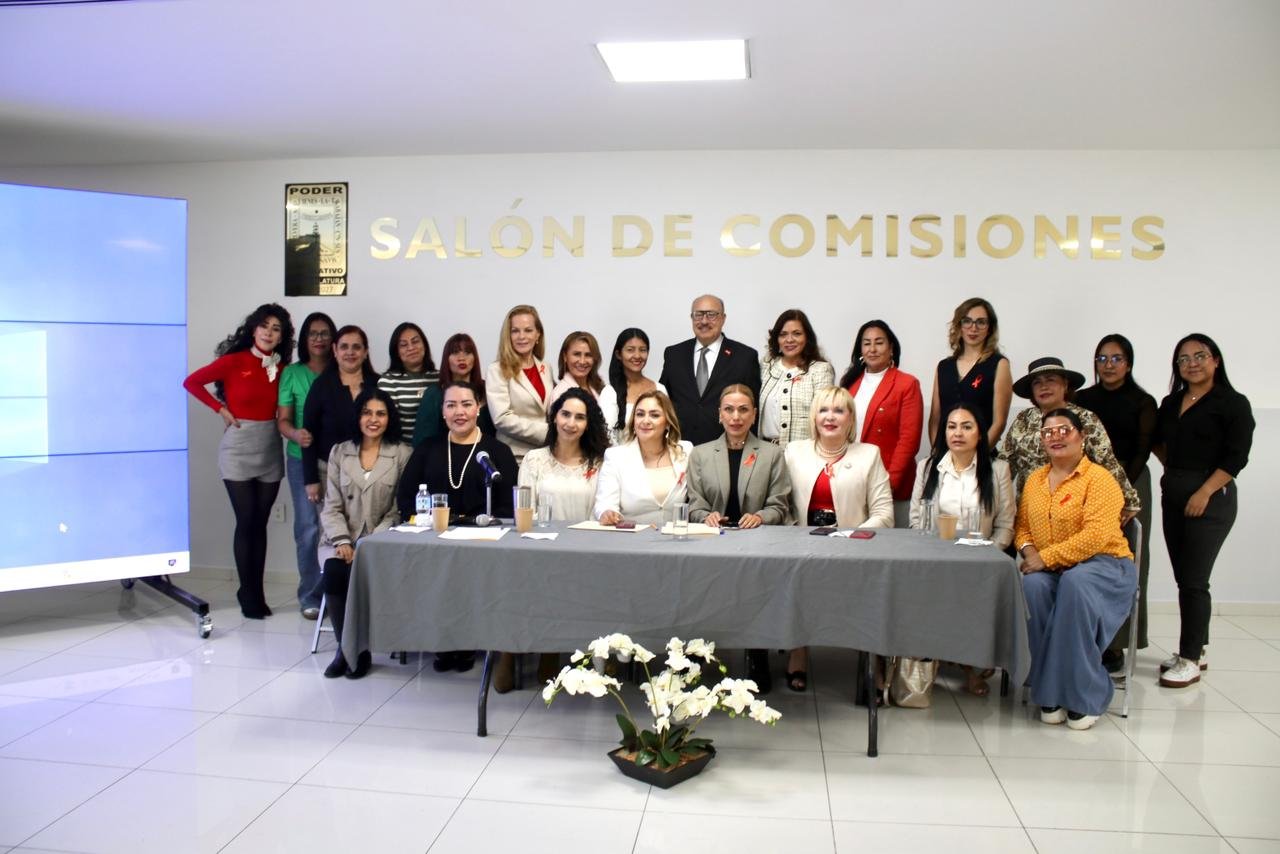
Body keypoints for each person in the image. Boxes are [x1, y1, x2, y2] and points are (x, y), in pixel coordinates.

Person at [1015, 408, 1137, 730]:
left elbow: (1096, 535)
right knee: (1033, 587)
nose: (1055, 437)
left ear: (1082, 436)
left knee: (1076, 583)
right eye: (1047, 432)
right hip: (1055, 568)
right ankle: (1050, 691)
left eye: (1064, 430)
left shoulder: (1099, 479)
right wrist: (1030, 552)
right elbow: (1022, 528)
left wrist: (1045, 558)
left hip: (1104, 565)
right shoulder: (1035, 480)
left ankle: (1087, 694)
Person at [1152, 334, 1254, 688]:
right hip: (1174, 495)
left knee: (1195, 580)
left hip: (1211, 498)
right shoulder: (1172, 402)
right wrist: (1173, 472)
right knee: (1185, 577)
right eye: (1183, 359)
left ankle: (1190, 658)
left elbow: (1237, 456)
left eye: (1199, 356)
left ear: (1216, 360)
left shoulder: (1232, 403)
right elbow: (1157, 441)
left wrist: (1204, 490)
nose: (1191, 363)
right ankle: (1198, 647)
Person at [397, 381, 518, 673]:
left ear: (479, 408)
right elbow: (406, 498)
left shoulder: (497, 451)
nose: (459, 412)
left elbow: (508, 505)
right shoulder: (428, 449)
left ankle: (466, 641)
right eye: (451, 405)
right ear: (442, 412)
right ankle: (442, 641)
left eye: (466, 404)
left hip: (482, 541)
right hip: (434, 538)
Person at [183, 303, 294, 619]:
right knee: (246, 521)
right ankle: (248, 592)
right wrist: (220, 409)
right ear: (253, 329)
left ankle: (255, 590)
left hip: (270, 447)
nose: (269, 332)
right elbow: (191, 382)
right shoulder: (234, 361)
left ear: (282, 336)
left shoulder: (283, 368)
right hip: (238, 448)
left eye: (276, 328)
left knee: (259, 523)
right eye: (264, 326)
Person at [783, 386, 894, 691]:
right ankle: (798, 651)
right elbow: (781, 505)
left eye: (838, 411)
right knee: (795, 580)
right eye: (823, 410)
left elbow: (884, 513)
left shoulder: (869, 454)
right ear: (813, 417)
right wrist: (797, 537)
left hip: (854, 547)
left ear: (851, 418)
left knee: (873, 592)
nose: (830, 417)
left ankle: (871, 659)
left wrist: (850, 537)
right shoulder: (794, 452)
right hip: (802, 547)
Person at [687, 384, 792, 694]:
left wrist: (760, 516)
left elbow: (779, 504)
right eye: (729, 410)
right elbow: (694, 503)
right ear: (719, 414)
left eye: (743, 410)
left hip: (755, 542)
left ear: (754, 415)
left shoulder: (772, 454)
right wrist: (705, 516)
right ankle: (697, 652)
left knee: (756, 595)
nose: (736, 417)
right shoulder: (701, 454)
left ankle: (757, 655)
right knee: (702, 593)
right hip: (712, 542)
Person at [909, 402, 1016, 696]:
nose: (958, 433)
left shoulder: (997, 470)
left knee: (970, 591)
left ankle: (970, 666)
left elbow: (1005, 525)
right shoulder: (928, 467)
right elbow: (917, 518)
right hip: (934, 557)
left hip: (979, 559)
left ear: (980, 434)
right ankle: (926, 660)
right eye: (951, 426)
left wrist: (987, 555)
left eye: (967, 427)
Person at [513, 386, 610, 691]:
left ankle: (583, 656)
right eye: (565, 414)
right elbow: (524, 511)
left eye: (579, 417)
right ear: (554, 417)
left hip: (587, 551)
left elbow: (600, 510)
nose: (571, 423)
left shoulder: (599, 463)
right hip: (542, 551)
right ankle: (534, 651)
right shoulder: (534, 459)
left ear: (588, 423)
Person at [1075, 334, 1158, 673]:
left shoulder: (1143, 401)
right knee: (1087, 558)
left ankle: (1117, 643)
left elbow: (1143, 450)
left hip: (1130, 483)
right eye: (1102, 359)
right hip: (1086, 482)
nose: (1108, 365)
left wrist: (1119, 490)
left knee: (1128, 561)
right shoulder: (1082, 399)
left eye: (1116, 359)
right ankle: (1086, 637)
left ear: (1129, 363)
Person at [318, 388, 412, 679]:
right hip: (339, 540)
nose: (373, 419)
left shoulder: (402, 453)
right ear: (357, 416)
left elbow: (397, 510)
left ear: (389, 418)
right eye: (367, 413)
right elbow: (331, 505)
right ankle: (348, 650)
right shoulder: (339, 451)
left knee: (358, 573)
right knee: (335, 573)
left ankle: (356, 649)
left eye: (380, 414)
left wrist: (366, 543)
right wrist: (343, 541)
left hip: (380, 540)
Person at [999, 357, 1140, 517]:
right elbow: (1005, 465)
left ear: (1065, 385)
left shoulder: (1085, 419)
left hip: (1075, 511)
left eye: (1050, 380)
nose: (1044, 387)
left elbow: (1106, 461)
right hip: (1030, 512)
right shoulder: (1023, 420)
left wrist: (1129, 501)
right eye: (1037, 382)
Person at [275, 311, 336, 619]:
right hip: (302, 460)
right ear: (304, 339)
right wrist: (295, 434)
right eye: (313, 333)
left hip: (337, 461)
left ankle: (335, 595)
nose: (319, 339)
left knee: (335, 527)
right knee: (308, 528)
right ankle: (310, 595)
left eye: (324, 333)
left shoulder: (341, 369)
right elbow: (283, 420)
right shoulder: (292, 373)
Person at [842, 319, 924, 523]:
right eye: (866, 343)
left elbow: (909, 441)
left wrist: (889, 483)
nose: (872, 349)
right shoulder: (850, 383)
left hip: (888, 481)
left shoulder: (907, 384)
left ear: (891, 348)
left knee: (889, 540)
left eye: (879, 342)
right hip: (852, 480)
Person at [659, 294, 761, 447]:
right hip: (680, 447)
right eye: (698, 315)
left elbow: (754, 408)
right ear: (691, 318)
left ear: (723, 318)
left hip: (727, 448)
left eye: (711, 314)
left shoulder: (745, 357)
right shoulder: (674, 354)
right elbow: (662, 400)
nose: (704, 321)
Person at [302, 325, 379, 511]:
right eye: (344, 347)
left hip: (371, 471)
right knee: (332, 524)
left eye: (356, 347)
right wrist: (311, 479)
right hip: (328, 472)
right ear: (335, 351)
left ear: (365, 352)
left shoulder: (378, 384)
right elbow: (308, 434)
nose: (350, 352)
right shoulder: (321, 385)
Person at [594, 390, 693, 527]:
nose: (645, 421)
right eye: (640, 414)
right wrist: (607, 513)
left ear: (667, 422)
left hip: (674, 536)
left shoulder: (685, 451)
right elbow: (605, 503)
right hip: (631, 537)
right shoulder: (616, 456)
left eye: (654, 415)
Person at [928, 297, 1012, 448]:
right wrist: (937, 455)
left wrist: (976, 457)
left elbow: (999, 423)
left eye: (981, 322)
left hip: (981, 455)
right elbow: (935, 419)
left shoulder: (999, 364)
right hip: (945, 456)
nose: (973, 328)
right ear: (959, 325)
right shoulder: (944, 366)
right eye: (967, 321)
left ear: (990, 328)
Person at [758, 308, 836, 445]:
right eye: (783, 334)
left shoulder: (820, 370)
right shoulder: (766, 365)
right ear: (777, 339)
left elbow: (824, 417)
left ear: (807, 338)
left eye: (797, 334)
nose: (789, 340)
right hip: (764, 451)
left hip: (802, 452)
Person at [486, 305, 552, 462]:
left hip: (546, 454)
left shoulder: (546, 368)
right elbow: (502, 418)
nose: (522, 336)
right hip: (514, 456)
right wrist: (549, 433)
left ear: (538, 334)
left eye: (528, 330)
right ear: (508, 336)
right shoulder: (497, 369)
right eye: (515, 331)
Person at [414, 332, 495, 444]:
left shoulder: (488, 389)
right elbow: (422, 440)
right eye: (455, 352)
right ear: (446, 358)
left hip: (485, 452)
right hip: (443, 453)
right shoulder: (434, 393)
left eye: (467, 352)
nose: (461, 358)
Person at [377, 322, 440, 443]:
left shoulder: (439, 377)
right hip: (402, 449)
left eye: (415, 341)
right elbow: (387, 424)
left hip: (436, 448)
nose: (411, 348)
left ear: (424, 345)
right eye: (403, 345)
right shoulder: (388, 381)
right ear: (396, 351)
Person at [548, 331, 619, 428]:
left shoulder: (597, 388)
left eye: (588, 355)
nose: (582, 361)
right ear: (565, 356)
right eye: (577, 354)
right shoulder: (560, 393)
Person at [606, 328, 665, 439]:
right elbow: (607, 436)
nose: (637, 356)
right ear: (618, 354)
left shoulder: (660, 389)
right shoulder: (610, 392)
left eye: (642, 350)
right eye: (630, 350)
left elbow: (667, 430)